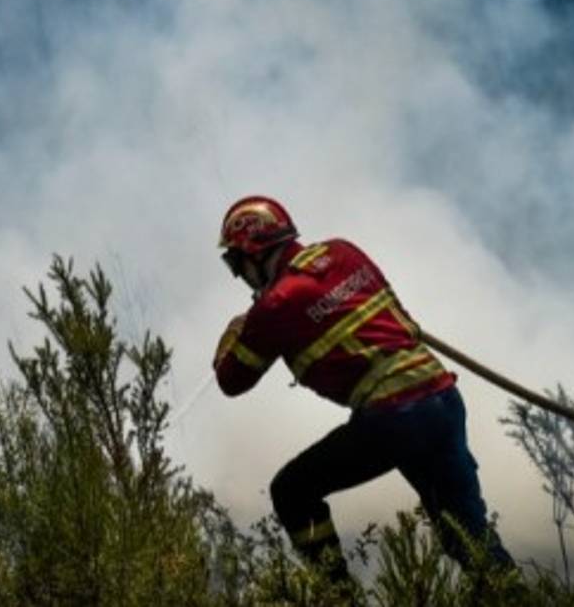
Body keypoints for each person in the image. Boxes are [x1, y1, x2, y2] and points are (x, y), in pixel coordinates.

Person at [213, 195, 513, 579]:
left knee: (292, 492)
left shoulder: (275, 305)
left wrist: (234, 332)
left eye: (235, 263)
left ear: (252, 252)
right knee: (470, 539)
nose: (239, 275)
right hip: (442, 398)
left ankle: (337, 594)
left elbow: (231, 381)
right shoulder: (342, 252)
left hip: (395, 416)